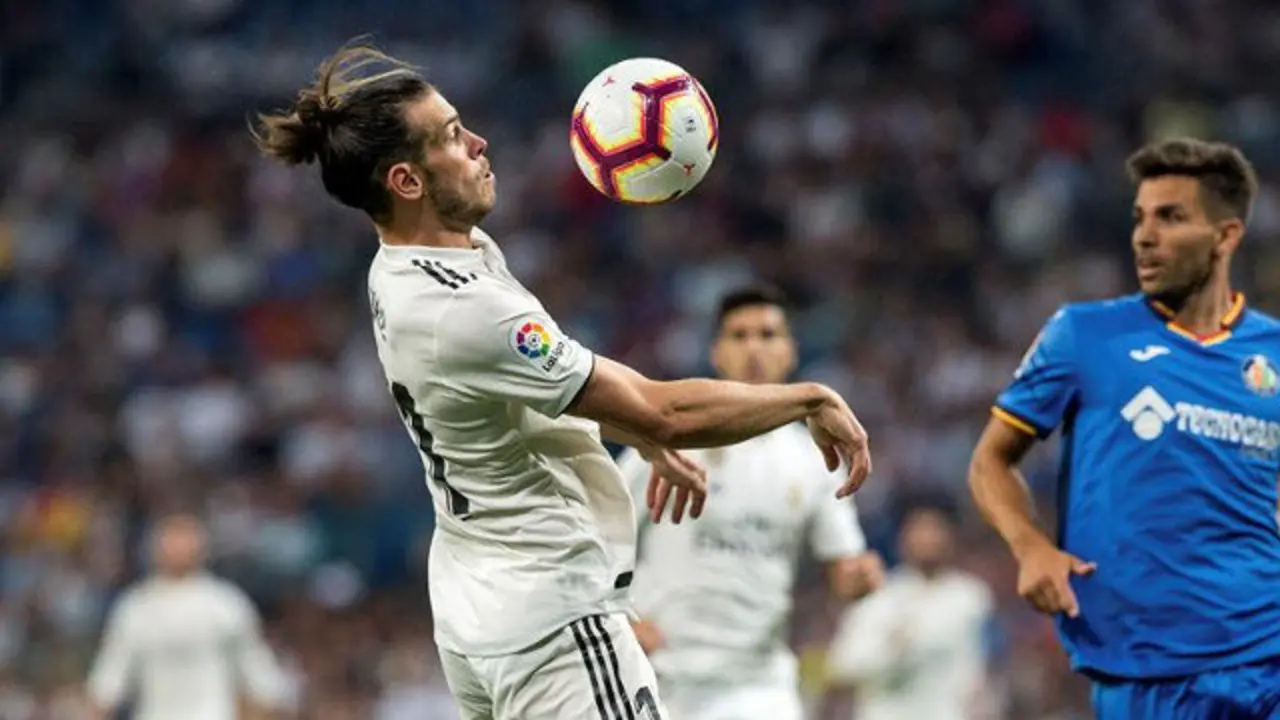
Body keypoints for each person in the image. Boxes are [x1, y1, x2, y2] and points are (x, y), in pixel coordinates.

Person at [252, 41, 872, 720]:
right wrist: (806, 398)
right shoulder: (464, 308)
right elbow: (663, 411)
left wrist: (635, 425)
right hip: (553, 615)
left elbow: (542, 395)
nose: (481, 143)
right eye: (455, 137)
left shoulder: (415, 263)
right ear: (407, 181)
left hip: (479, 604)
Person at [968, 137, 1280, 718]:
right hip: (1145, 667)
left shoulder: (1274, 353)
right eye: (1139, 217)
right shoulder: (1085, 335)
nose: (1144, 235)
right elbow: (990, 462)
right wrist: (1031, 546)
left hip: (1268, 650)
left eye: (1170, 217)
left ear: (1226, 235)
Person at [615, 285, 885, 720]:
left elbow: (843, 570)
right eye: (739, 336)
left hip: (755, 684)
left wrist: (860, 580)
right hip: (658, 674)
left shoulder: (816, 460)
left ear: (790, 352)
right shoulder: (672, 440)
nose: (753, 348)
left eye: (767, 334)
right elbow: (603, 530)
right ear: (717, 352)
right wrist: (622, 620)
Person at [86, 514, 289, 720]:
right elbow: (109, 679)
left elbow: (259, 671)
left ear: (202, 546)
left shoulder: (226, 604)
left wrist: (271, 704)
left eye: (186, 538)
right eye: (171, 538)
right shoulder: (136, 608)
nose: (179, 547)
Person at [826, 501, 994, 720]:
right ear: (903, 539)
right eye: (921, 531)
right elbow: (843, 665)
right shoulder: (879, 597)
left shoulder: (971, 597)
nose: (929, 539)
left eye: (936, 530)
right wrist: (892, 647)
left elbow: (980, 664)